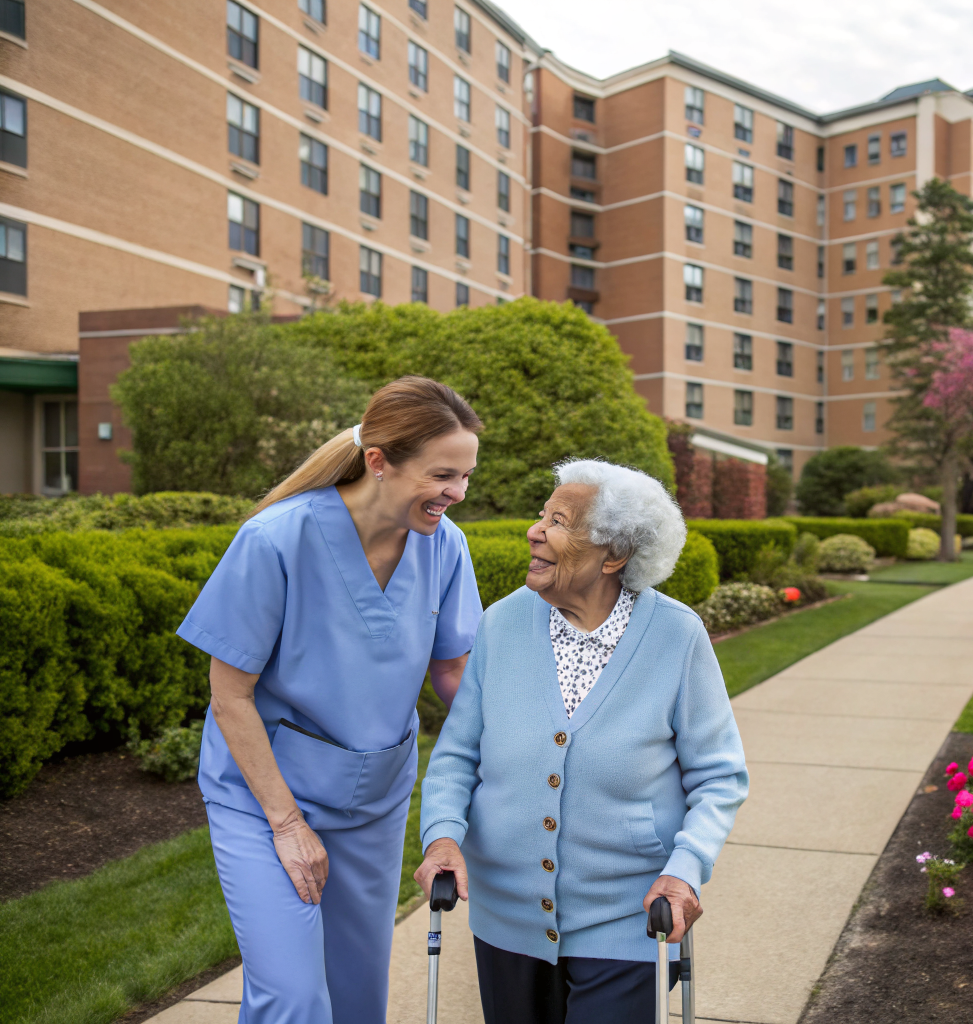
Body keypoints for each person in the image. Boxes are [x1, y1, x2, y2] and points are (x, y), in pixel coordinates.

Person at [176, 376, 484, 1024]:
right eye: (443, 475)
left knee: (355, 997)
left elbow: (454, 671)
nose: (457, 494)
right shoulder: (276, 540)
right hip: (264, 800)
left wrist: (522, 747)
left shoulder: (445, 545)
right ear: (379, 462)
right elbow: (229, 695)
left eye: (465, 475)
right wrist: (287, 825)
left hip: (374, 798)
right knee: (293, 999)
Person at [416, 459, 748, 1024]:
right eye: (542, 515)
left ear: (613, 554)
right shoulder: (502, 625)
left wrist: (685, 867)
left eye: (560, 521)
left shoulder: (675, 635)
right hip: (508, 914)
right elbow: (456, 757)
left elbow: (719, 776)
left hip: (628, 914)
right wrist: (442, 837)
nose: (535, 530)